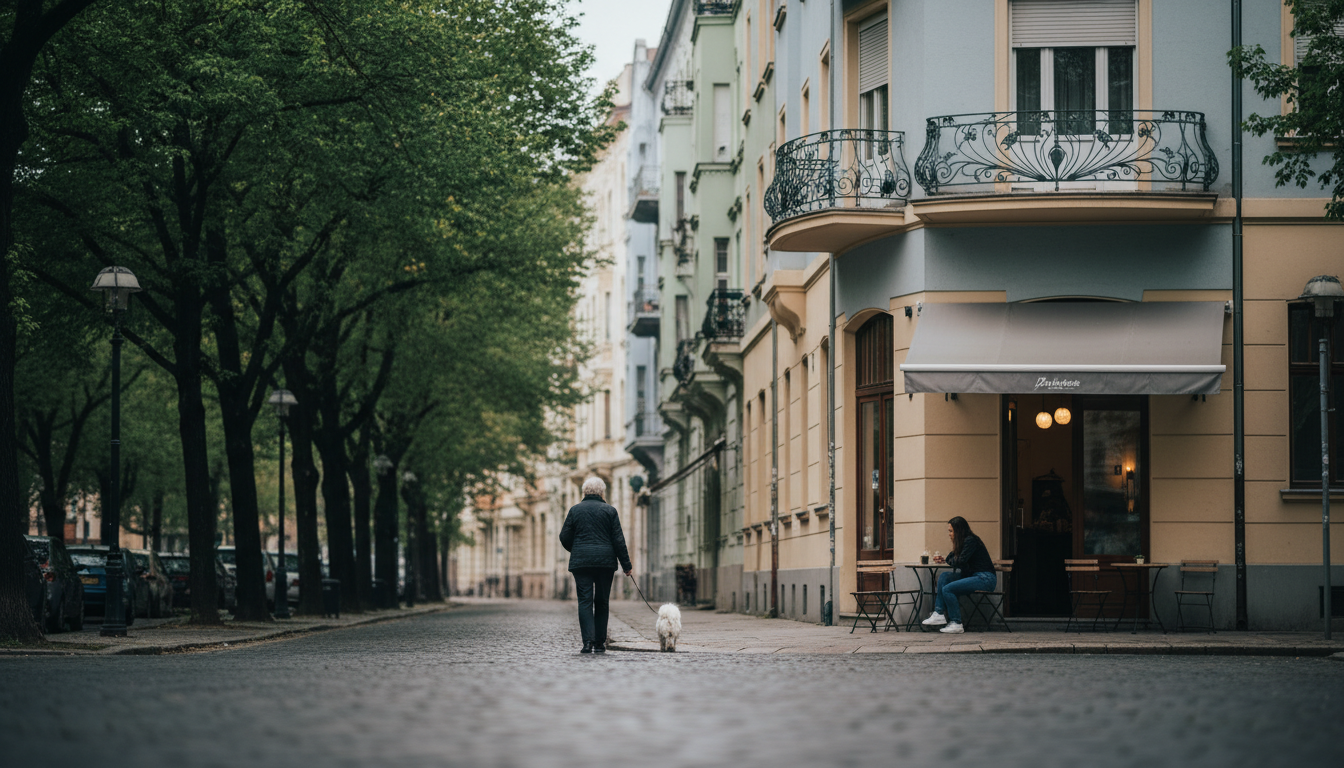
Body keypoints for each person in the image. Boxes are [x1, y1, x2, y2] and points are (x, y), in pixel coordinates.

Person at [559, 476, 632, 654]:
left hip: (581, 562)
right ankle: (600, 643)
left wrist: (577, 549)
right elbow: (618, 540)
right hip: (605, 563)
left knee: (584, 601)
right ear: (602, 492)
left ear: (584, 492)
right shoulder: (610, 511)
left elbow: (564, 536)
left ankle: (587, 642)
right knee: (602, 601)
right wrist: (626, 565)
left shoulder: (575, 510)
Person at [920, 516, 997, 634]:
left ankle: (956, 622)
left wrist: (951, 559)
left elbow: (959, 561)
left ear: (959, 531)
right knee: (944, 576)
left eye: (951, 531)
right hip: (973, 576)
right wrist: (950, 559)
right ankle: (939, 613)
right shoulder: (963, 542)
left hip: (985, 578)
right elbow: (952, 558)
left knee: (948, 589)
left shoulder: (971, 541)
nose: (949, 534)